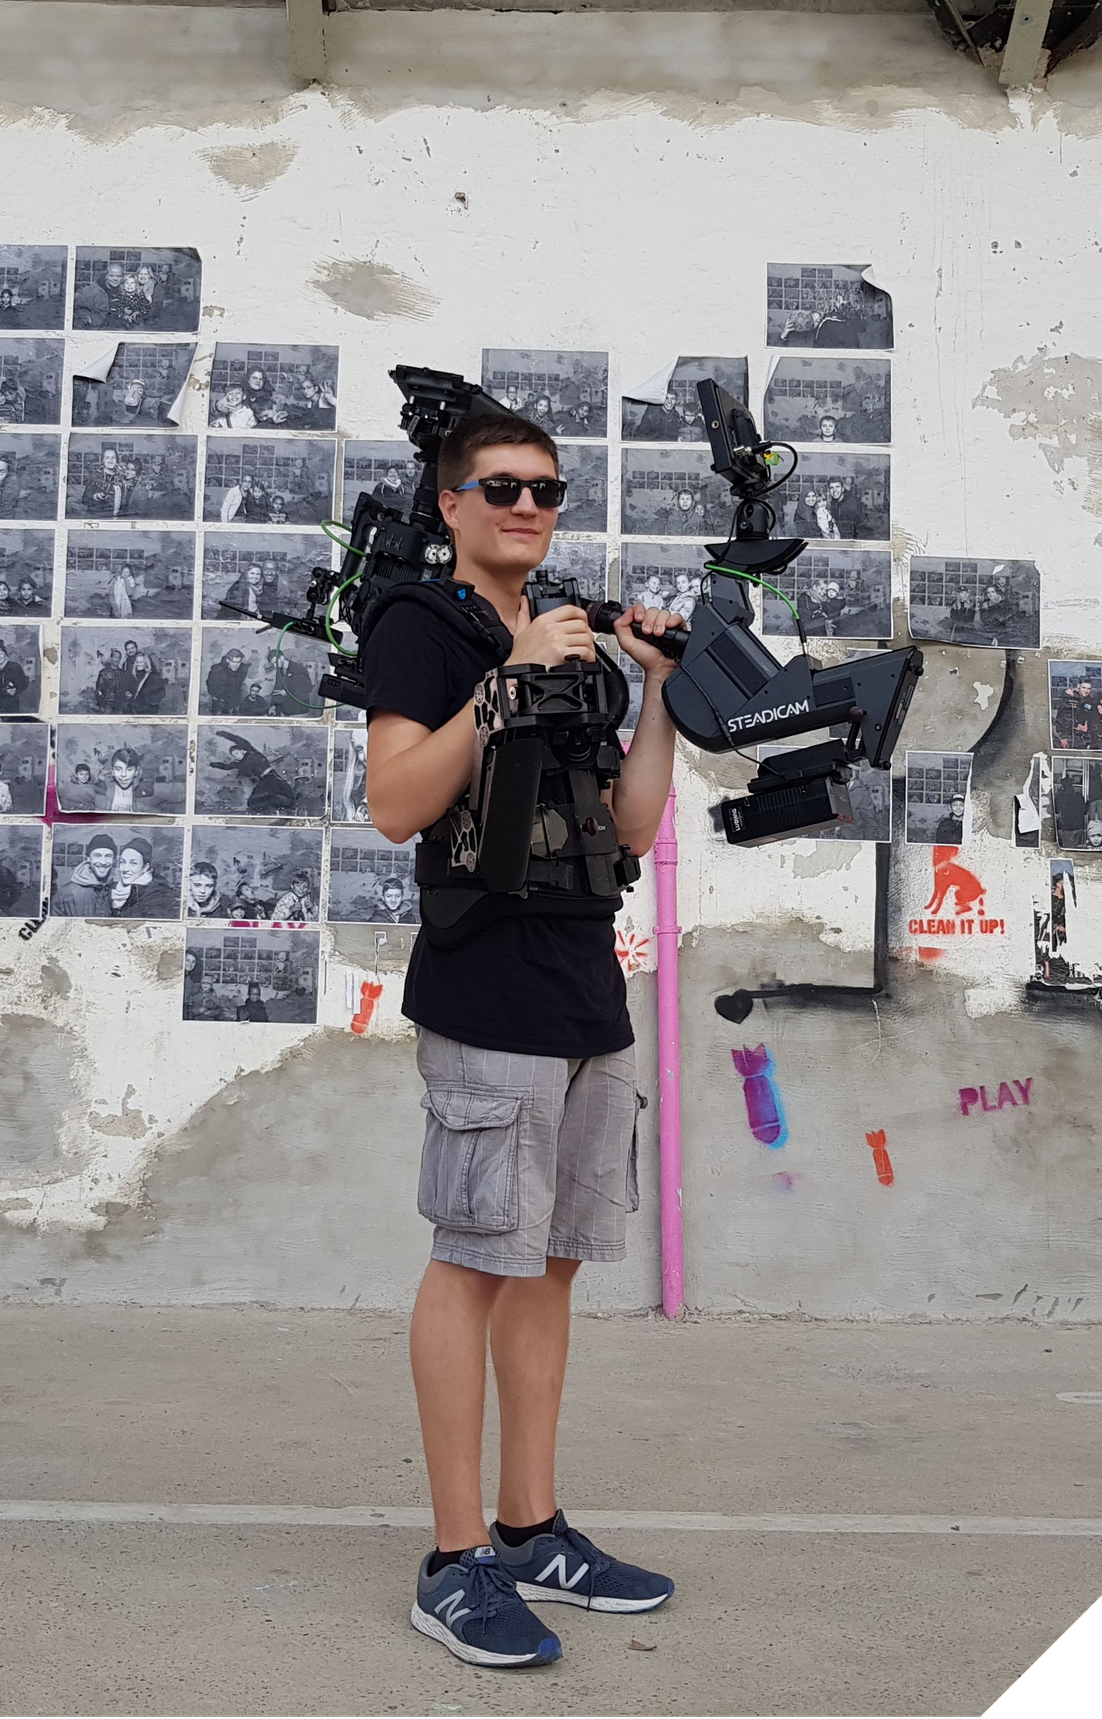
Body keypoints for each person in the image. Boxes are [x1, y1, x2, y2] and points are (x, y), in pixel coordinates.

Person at [362, 406, 685, 1669]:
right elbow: (394, 803)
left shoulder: (578, 645)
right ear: (449, 504)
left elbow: (635, 827)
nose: (526, 508)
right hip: (485, 987)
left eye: (546, 490)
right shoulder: (419, 627)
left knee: (549, 1264)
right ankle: (455, 1561)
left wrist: (655, 693)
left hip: (583, 993)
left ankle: (533, 1524)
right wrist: (502, 687)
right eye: (499, 487)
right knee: (474, 1260)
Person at [107, 837, 175, 918]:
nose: (125, 869)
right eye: (123, 862)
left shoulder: (157, 895)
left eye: (133, 863)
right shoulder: (114, 889)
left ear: (145, 867)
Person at [57, 834, 119, 916]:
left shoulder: (118, 891)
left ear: (114, 860)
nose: (103, 862)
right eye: (97, 856)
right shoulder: (67, 892)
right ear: (88, 858)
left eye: (108, 856)